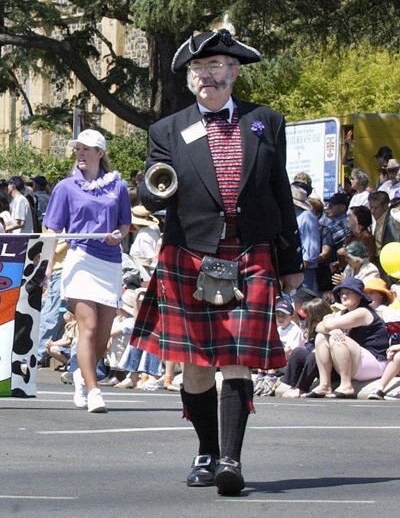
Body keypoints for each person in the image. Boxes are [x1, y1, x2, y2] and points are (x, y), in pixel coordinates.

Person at [129, 28, 304, 496]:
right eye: (199, 69)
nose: (208, 75)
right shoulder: (167, 129)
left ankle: (231, 460)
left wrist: (292, 258)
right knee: (196, 365)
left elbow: (279, 193)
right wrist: (152, 189)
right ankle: (207, 450)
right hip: (189, 252)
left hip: (251, 251)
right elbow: (152, 186)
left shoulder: (265, 121)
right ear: (191, 77)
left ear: (234, 72)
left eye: (217, 67)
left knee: (237, 359)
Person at [43, 128, 131, 414]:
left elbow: (125, 224)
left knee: (103, 338)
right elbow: (52, 229)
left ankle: (83, 373)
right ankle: (94, 390)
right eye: (78, 148)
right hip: (79, 258)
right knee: (88, 328)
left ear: (100, 153)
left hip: (109, 261)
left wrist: (117, 235)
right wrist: (46, 265)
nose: (80, 153)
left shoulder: (117, 186)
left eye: (86, 149)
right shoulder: (66, 187)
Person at [305, 277, 389, 399]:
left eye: (349, 292)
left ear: (359, 296)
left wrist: (330, 325)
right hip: (355, 361)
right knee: (321, 338)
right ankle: (325, 384)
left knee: (337, 338)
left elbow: (327, 324)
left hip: (375, 363)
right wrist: (331, 327)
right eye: (342, 293)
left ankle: (346, 385)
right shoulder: (342, 313)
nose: (344, 296)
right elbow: (318, 327)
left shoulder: (363, 312)